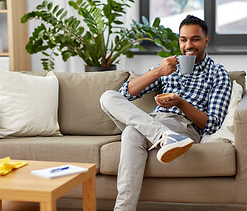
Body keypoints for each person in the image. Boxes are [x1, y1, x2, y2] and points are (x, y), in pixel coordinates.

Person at [99, 15, 232, 211]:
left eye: (195, 39)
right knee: (107, 97)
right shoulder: (169, 66)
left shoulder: (217, 73)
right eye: (183, 39)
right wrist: (158, 72)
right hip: (153, 121)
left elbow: (212, 123)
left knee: (131, 133)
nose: (188, 45)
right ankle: (164, 136)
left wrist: (180, 102)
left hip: (183, 127)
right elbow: (124, 94)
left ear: (206, 40)